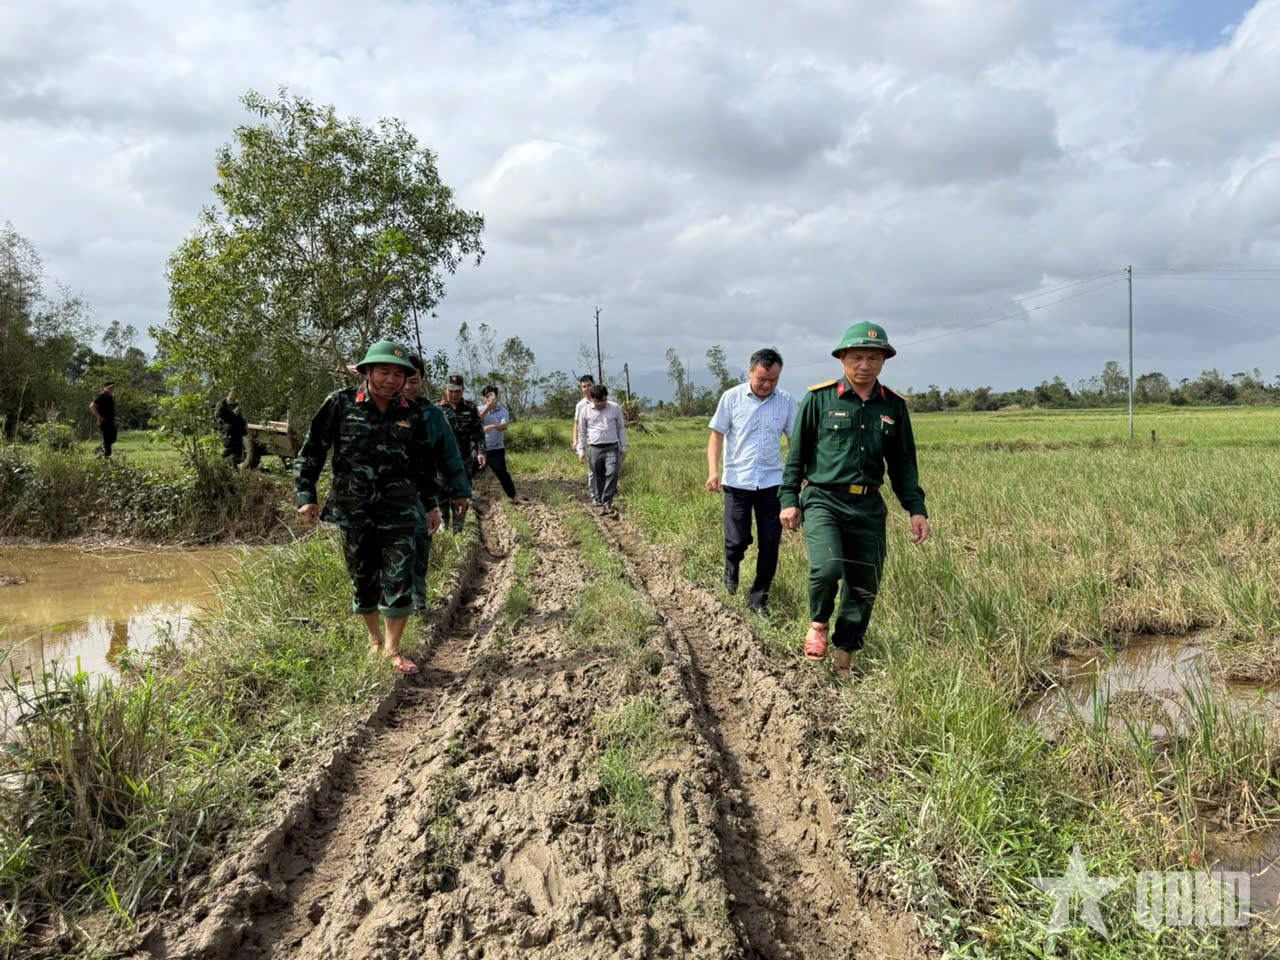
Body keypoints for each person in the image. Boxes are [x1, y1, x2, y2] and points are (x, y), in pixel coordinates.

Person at [779, 322, 929, 677]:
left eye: (873, 357)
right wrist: (789, 499)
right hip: (823, 501)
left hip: (868, 507)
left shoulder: (893, 406)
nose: (865, 365)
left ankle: (843, 659)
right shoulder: (819, 399)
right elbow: (796, 455)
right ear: (842, 357)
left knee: (864, 585)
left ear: (883, 361)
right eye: (858, 357)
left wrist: (915, 508)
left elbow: (904, 463)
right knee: (827, 568)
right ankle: (818, 623)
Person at [293, 340, 441, 674]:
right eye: (384, 372)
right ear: (368, 371)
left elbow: (422, 462)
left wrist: (431, 505)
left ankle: (392, 649)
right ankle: (373, 639)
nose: (391, 380)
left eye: (398, 374)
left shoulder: (411, 412)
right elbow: (313, 449)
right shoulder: (340, 403)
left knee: (399, 575)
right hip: (354, 508)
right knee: (362, 575)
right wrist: (307, 495)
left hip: (400, 508)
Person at [706, 348, 796, 612]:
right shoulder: (731, 398)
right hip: (737, 482)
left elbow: (795, 442)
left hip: (772, 484)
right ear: (750, 372)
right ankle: (731, 565)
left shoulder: (787, 401)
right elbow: (716, 436)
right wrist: (713, 471)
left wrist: (796, 476)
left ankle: (758, 597)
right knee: (737, 540)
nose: (767, 385)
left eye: (773, 380)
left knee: (770, 544)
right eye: (761, 379)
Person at [404, 357, 472, 614]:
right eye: (404, 381)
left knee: (420, 546)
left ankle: (417, 599)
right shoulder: (375, 409)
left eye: (414, 381)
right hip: (383, 498)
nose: (408, 387)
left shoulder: (432, 415)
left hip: (422, 494)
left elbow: (450, 455)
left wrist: (461, 490)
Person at [438, 374, 486, 533]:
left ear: (463, 390)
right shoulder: (436, 407)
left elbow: (479, 433)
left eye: (457, 391)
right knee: (441, 493)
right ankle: (444, 522)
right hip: (441, 460)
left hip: (462, 459)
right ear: (445, 389)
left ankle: (458, 528)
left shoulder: (470, 408)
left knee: (461, 493)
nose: (453, 394)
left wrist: (480, 451)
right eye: (450, 391)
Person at [576, 383, 626, 517]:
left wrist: (623, 446)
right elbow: (581, 432)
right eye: (598, 401)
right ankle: (600, 502)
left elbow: (621, 428)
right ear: (592, 399)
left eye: (604, 400)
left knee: (612, 473)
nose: (602, 403)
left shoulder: (615, 408)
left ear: (606, 397)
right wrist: (580, 450)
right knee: (598, 477)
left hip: (611, 447)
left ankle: (607, 503)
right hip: (594, 448)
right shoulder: (585, 411)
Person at [480, 384, 519, 501]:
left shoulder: (503, 411)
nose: (489, 399)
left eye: (492, 396)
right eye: (487, 396)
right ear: (483, 398)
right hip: (479, 450)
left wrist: (492, 426)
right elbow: (475, 421)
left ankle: (513, 496)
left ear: (496, 397)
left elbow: (504, 425)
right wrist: (486, 408)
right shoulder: (478, 409)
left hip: (496, 449)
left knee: (502, 474)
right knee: (467, 472)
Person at [570, 374, 598, 505]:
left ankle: (606, 490)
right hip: (587, 440)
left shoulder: (602, 400)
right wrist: (575, 440)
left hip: (603, 439)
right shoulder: (580, 405)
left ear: (594, 385)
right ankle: (594, 495)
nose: (587, 389)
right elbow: (576, 423)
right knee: (592, 468)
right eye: (584, 387)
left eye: (589, 385)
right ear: (581, 389)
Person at [216, 390, 248, 462]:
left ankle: (235, 466)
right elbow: (218, 417)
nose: (233, 396)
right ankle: (221, 461)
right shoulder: (222, 404)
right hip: (228, 430)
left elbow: (239, 417)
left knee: (238, 448)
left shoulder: (236, 405)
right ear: (228, 394)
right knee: (229, 447)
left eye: (234, 395)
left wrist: (245, 426)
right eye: (232, 394)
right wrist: (223, 424)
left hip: (237, 429)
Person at [89, 381, 116, 457]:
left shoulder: (110, 396)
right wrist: (98, 416)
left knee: (113, 438)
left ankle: (96, 451)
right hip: (104, 421)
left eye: (113, 387)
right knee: (107, 440)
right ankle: (106, 456)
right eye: (110, 387)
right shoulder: (102, 395)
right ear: (105, 387)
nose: (112, 389)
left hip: (111, 421)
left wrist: (114, 417)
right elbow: (91, 406)